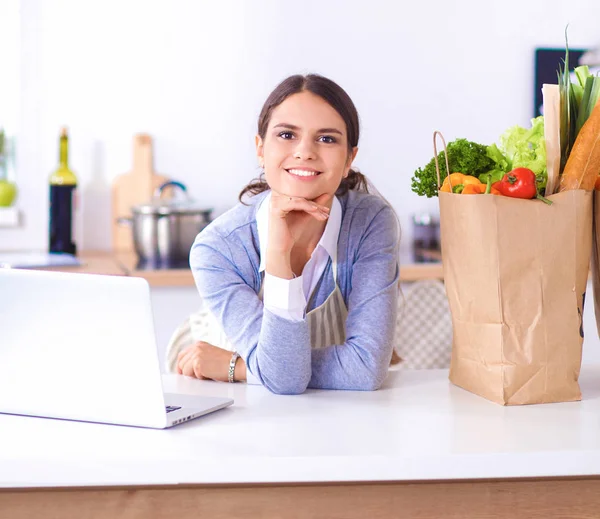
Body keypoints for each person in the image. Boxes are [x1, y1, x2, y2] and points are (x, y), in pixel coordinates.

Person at [168, 73, 400, 394]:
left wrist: (237, 365)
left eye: (327, 139)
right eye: (287, 134)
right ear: (260, 149)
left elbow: (365, 368)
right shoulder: (218, 248)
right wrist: (278, 255)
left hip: (323, 415)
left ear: (349, 159)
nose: (305, 152)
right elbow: (286, 380)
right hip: (224, 399)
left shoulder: (370, 222)